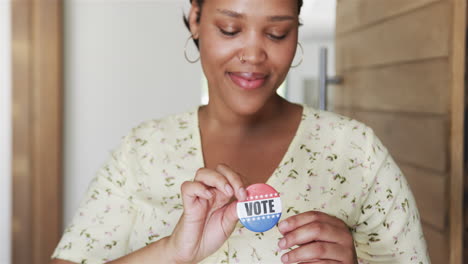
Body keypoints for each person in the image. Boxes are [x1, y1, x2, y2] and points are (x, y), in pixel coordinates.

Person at [51, 0, 430, 263]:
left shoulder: (356, 152)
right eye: (230, 28)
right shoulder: (142, 150)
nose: (253, 54)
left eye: (277, 33)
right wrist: (171, 253)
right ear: (196, 17)